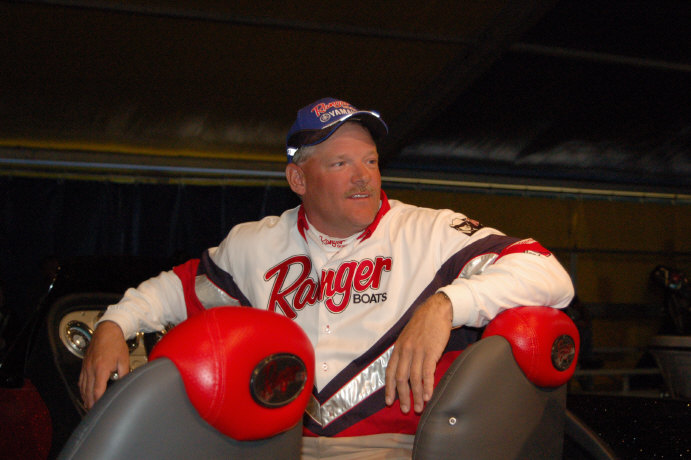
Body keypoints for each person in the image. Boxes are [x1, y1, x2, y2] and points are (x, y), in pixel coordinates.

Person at [80, 97, 574, 459]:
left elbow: (548, 273)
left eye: (371, 161)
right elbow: (172, 290)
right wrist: (113, 325)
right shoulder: (254, 244)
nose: (364, 176)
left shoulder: (431, 231)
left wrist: (446, 304)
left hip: (400, 448)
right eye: (341, 164)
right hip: (276, 446)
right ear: (298, 179)